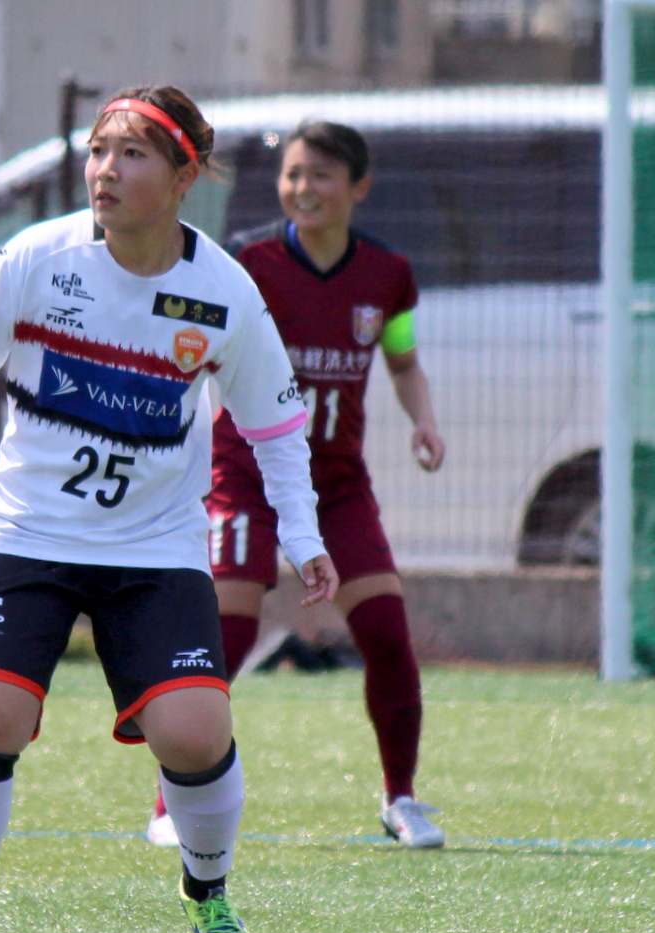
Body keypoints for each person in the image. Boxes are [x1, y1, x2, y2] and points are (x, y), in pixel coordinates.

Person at [0, 87, 338, 933]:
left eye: (131, 154)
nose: (105, 171)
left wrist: (304, 536)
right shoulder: (35, 258)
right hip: (28, 534)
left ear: (183, 178)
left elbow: (277, 428)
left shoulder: (224, 292)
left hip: (155, 548)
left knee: (195, 734)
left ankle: (209, 897)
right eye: (97, 151)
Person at [146, 120, 447, 851]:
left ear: (359, 188)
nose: (303, 188)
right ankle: (169, 803)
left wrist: (424, 420)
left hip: (336, 486)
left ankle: (401, 799)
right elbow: (193, 343)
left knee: (385, 633)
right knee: (226, 631)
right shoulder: (247, 265)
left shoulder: (386, 275)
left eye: (320, 175)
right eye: (293, 174)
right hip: (245, 477)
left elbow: (402, 358)